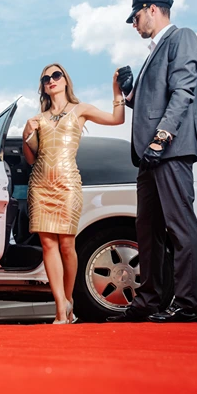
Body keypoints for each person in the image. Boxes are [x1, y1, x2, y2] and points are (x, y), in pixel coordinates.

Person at [109, 0, 197, 323]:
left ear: (152, 10)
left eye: (136, 17)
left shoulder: (182, 38)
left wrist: (161, 139)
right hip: (149, 155)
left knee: (179, 227)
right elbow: (152, 102)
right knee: (147, 229)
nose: (134, 25)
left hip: (170, 148)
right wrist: (130, 91)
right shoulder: (154, 51)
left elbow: (183, 92)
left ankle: (189, 305)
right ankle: (148, 301)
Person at [23, 62, 125, 324]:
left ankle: (69, 300)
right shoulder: (37, 119)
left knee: (67, 244)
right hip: (41, 184)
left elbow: (117, 119)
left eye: (56, 76)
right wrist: (27, 135)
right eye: (46, 78)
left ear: (65, 80)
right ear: (43, 87)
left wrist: (117, 93)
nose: (51, 80)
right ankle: (59, 307)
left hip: (68, 184)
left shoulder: (81, 110)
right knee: (48, 244)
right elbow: (30, 159)